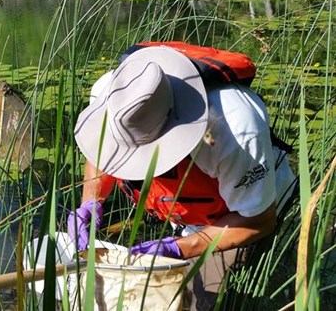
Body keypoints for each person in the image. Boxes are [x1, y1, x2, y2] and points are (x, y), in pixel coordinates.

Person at [68, 46, 296, 310]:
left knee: (204, 301)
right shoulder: (114, 94)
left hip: (247, 208)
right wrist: (90, 202)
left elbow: (259, 220)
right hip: (189, 212)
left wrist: (178, 249)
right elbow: (102, 149)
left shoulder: (234, 130)